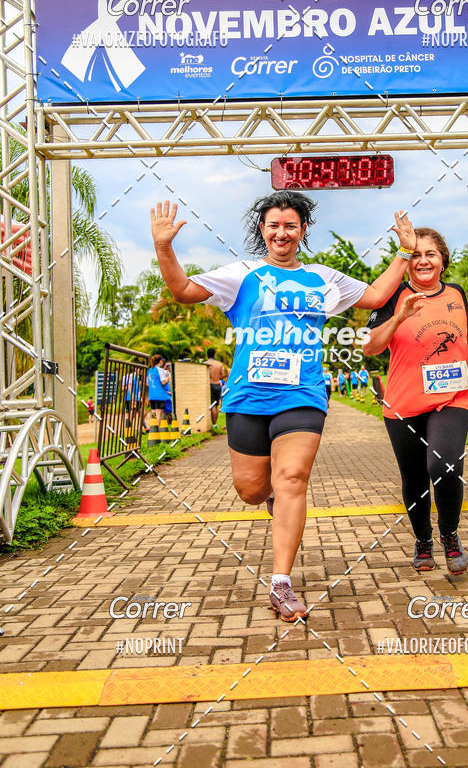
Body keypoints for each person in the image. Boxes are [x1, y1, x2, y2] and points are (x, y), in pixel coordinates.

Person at [151, 194, 419, 621]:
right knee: (251, 490)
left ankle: (281, 584)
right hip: (247, 398)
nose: (282, 233)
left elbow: (375, 295)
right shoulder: (241, 275)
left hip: (303, 393)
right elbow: (183, 291)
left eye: (290, 226)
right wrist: (164, 247)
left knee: (293, 477)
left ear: (302, 231)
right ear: (263, 230)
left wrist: (405, 252)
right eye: (274, 225)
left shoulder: (323, 278)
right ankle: (271, 495)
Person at [363, 225, 468, 576]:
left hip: (451, 396)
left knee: (444, 465)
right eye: (415, 254)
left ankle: (450, 534)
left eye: (430, 254)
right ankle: (422, 540)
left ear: (443, 261)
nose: (422, 260)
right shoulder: (390, 296)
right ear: (406, 262)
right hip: (402, 403)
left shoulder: (457, 292)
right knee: (415, 477)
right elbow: (370, 346)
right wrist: (399, 317)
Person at [206, 347, 228, 429]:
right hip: (218, 385)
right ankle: (215, 424)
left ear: (207, 354)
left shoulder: (206, 364)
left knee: (212, 406)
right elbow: (222, 376)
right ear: (214, 355)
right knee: (216, 405)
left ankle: (213, 424)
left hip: (210, 385)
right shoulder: (219, 364)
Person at [146, 354, 170, 428]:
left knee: (153, 413)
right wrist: (168, 379)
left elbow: (147, 383)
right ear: (160, 361)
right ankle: (157, 430)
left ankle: (152, 429)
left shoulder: (150, 370)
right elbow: (163, 382)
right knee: (159, 414)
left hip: (152, 395)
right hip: (160, 395)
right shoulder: (160, 370)